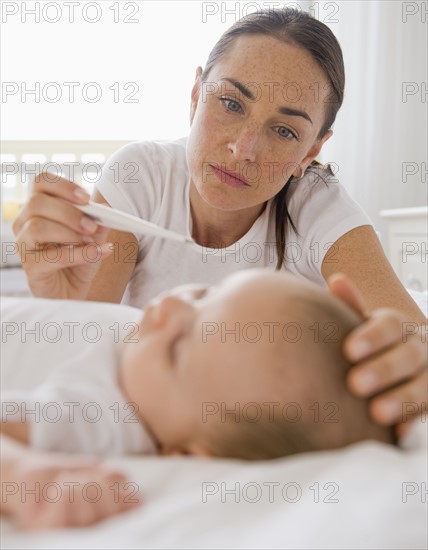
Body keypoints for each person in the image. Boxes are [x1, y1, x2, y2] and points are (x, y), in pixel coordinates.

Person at [11, 10, 427, 428]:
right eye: (230, 103)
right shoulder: (140, 177)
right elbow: (74, 356)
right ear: (195, 96)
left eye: (284, 131)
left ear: (310, 153)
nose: (243, 149)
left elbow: (416, 340)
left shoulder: (317, 207)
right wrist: (59, 303)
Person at [1, 270, 396, 528]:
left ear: (189, 455)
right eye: (206, 294)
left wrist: (25, 476)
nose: (167, 305)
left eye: (176, 348)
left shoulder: (105, 415)